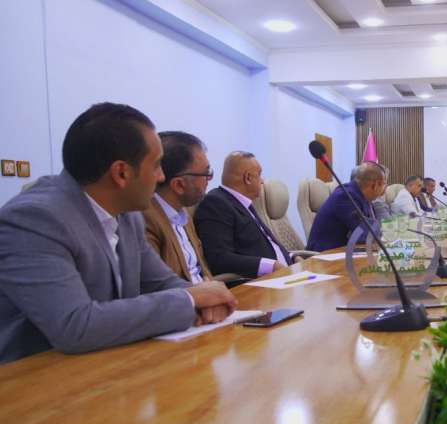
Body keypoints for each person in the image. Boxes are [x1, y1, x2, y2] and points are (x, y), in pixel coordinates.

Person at [0, 103, 236, 363]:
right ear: (121, 173)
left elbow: (161, 283)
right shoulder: (35, 220)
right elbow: (75, 325)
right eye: (156, 165)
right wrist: (190, 300)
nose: (161, 177)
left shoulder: (127, 214)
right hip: (35, 375)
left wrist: (205, 300)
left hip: (110, 363)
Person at [194, 151, 292, 278]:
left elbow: (268, 245)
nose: (262, 181)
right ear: (248, 178)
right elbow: (219, 258)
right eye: (259, 175)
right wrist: (270, 266)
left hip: (284, 275)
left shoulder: (244, 203)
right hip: (262, 281)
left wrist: (292, 257)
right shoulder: (215, 203)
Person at [142, 131, 212, 283]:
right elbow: (157, 285)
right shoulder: (145, 220)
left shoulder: (183, 212)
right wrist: (203, 293)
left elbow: (202, 270)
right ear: (179, 185)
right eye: (206, 173)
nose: (209, 179)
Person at [306, 162, 387, 252]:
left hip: (346, 251)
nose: (385, 189)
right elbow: (364, 233)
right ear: (375, 185)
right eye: (384, 184)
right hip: (324, 254)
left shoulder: (363, 198)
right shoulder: (345, 196)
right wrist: (387, 229)